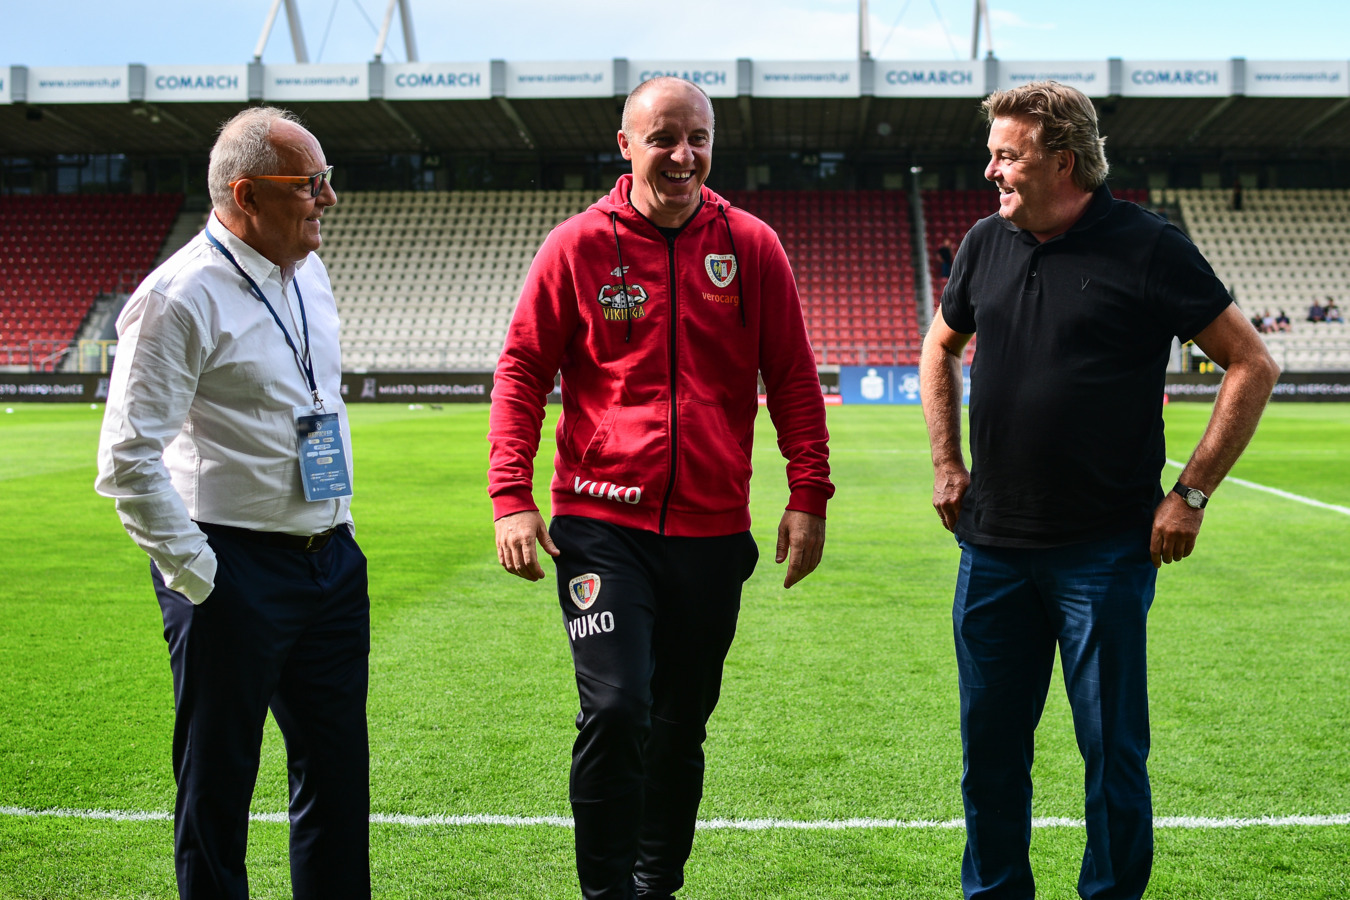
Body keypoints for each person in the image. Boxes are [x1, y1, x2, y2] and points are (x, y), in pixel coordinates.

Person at [918, 82, 1280, 900]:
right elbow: (940, 347)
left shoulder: (1149, 247)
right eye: (992, 154)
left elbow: (1251, 363)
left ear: (1064, 161)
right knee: (989, 753)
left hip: (1105, 553)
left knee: (1112, 752)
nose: (991, 171)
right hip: (991, 549)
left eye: (1007, 156)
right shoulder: (984, 241)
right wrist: (947, 464)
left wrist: (1191, 494)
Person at [488, 76, 833, 900]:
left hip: (713, 534)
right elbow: (523, 371)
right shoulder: (575, 246)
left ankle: (655, 885)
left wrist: (808, 494)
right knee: (615, 712)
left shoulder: (750, 245)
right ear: (626, 146)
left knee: (680, 728)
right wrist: (512, 496)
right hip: (600, 523)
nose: (683, 156)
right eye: (663, 138)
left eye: (698, 139)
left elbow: (792, 376)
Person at [96, 107, 369, 900]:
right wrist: (203, 576)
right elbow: (126, 458)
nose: (327, 198)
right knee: (218, 785)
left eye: (326, 180)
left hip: (329, 559)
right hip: (231, 564)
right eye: (309, 183)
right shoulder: (178, 297)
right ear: (246, 194)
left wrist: (339, 530)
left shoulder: (308, 272)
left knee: (337, 778)